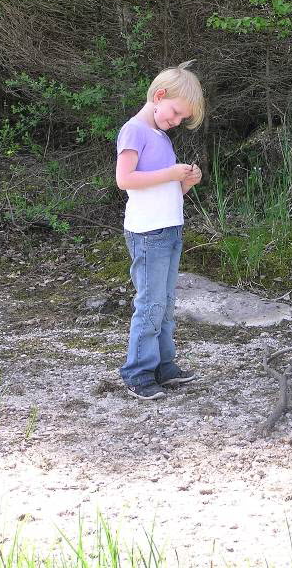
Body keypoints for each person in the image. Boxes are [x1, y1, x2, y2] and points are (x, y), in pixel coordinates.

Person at [114, 60, 205, 400]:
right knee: (150, 304)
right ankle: (138, 372)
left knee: (166, 303)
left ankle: (164, 366)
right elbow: (125, 180)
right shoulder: (134, 130)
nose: (176, 121)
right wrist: (171, 174)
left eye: (182, 119)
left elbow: (165, 191)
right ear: (159, 95)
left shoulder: (160, 136)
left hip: (169, 229)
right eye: (176, 113)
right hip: (148, 234)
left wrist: (187, 183)